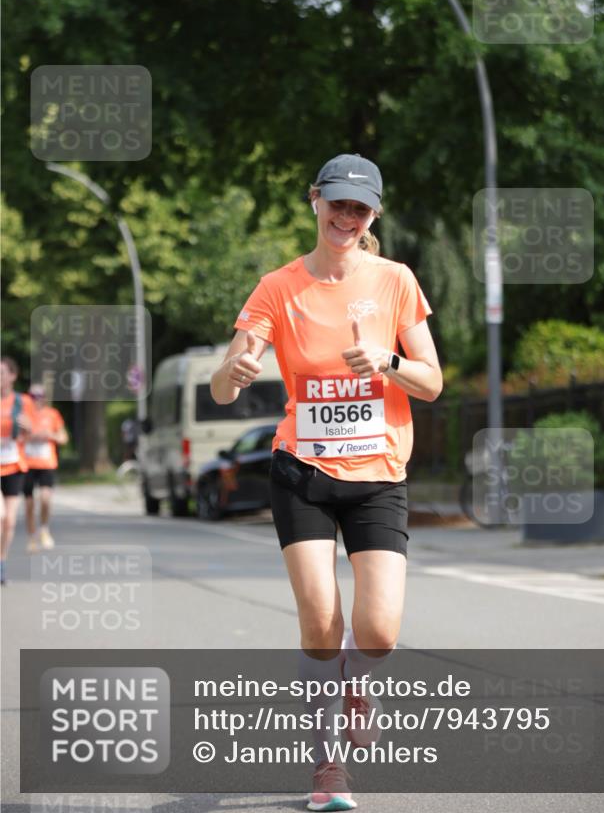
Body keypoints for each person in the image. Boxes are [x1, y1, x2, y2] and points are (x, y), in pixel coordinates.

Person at [211, 154, 442, 811]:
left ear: (373, 214)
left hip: (377, 478)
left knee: (377, 633)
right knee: (319, 623)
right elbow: (223, 386)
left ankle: (358, 684)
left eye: (359, 208)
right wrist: (239, 367)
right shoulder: (277, 287)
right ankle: (327, 769)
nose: (346, 217)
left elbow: (431, 382)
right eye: (336, 203)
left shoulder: (395, 280)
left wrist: (389, 361)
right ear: (315, 201)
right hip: (301, 474)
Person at [0, 357, 36, 585]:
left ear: (13, 375)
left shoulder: (22, 402)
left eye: (3, 372)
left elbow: (31, 434)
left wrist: (28, 428)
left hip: (14, 464)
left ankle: (1, 562)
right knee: (0, 516)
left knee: (10, 521)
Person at [24, 383, 68, 552]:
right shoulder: (23, 415)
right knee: (28, 504)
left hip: (47, 463)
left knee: (45, 498)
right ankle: (31, 537)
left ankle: (44, 528)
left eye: (39, 397)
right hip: (27, 464)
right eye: (32, 397)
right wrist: (30, 437)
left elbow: (63, 438)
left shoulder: (52, 414)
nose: (36, 400)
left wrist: (50, 435)